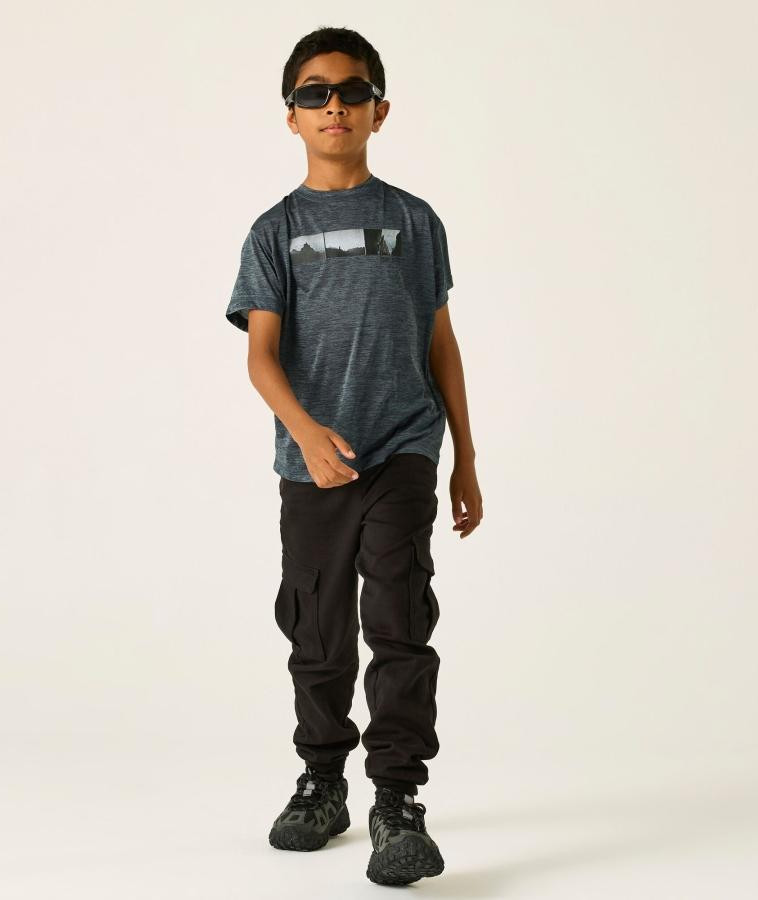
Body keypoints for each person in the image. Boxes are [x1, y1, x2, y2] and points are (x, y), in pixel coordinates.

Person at [224, 26, 482, 886]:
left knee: (399, 617)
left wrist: (464, 458)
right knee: (318, 627)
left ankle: (397, 800)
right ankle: (322, 781)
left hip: (403, 445)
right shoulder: (275, 231)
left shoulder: (414, 222)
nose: (333, 105)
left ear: (380, 109)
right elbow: (261, 357)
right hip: (315, 464)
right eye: (314, 93)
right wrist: (305, 432)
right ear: (292, 115)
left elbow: (441, 344)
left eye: (351, 90)